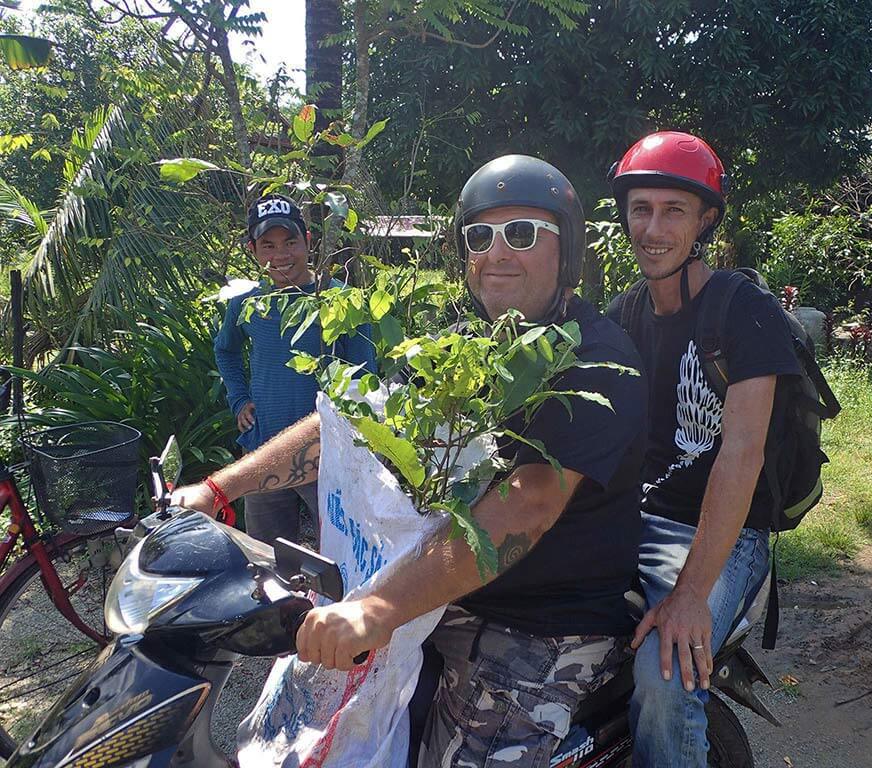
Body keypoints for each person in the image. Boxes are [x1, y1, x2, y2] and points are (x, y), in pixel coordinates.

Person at [176, 156, 648, 767]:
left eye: (524, 233)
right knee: (307, 731)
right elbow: (354, 429)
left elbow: (527, 503)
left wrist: (375, 609)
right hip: (445, 594)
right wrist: (219, 488)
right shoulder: (467, 345)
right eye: (481, 236)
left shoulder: (597, 362)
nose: (498, 252)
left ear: (568, 252)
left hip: (547, 620)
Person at [606, 132, 802, 768]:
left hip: (724, 535)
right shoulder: (624, 313)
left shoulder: (744, 311)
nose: (653, 228)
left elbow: (740, 454)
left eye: (673, 210)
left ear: (704, 221)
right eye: (641, 208)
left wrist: (689, 595)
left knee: (665, 674)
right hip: (632, 518)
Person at [214, 193, 376, 544]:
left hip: (327, 456)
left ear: (308, 241)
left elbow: (365, 376)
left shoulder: (341, 299)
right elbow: (225, 350)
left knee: (342, 551)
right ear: (252, 251)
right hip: (263, 449)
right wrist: (239, 399)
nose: (281, 255)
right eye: (268, 245)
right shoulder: (246, 302)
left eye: (290, 242)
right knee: (267, 558)